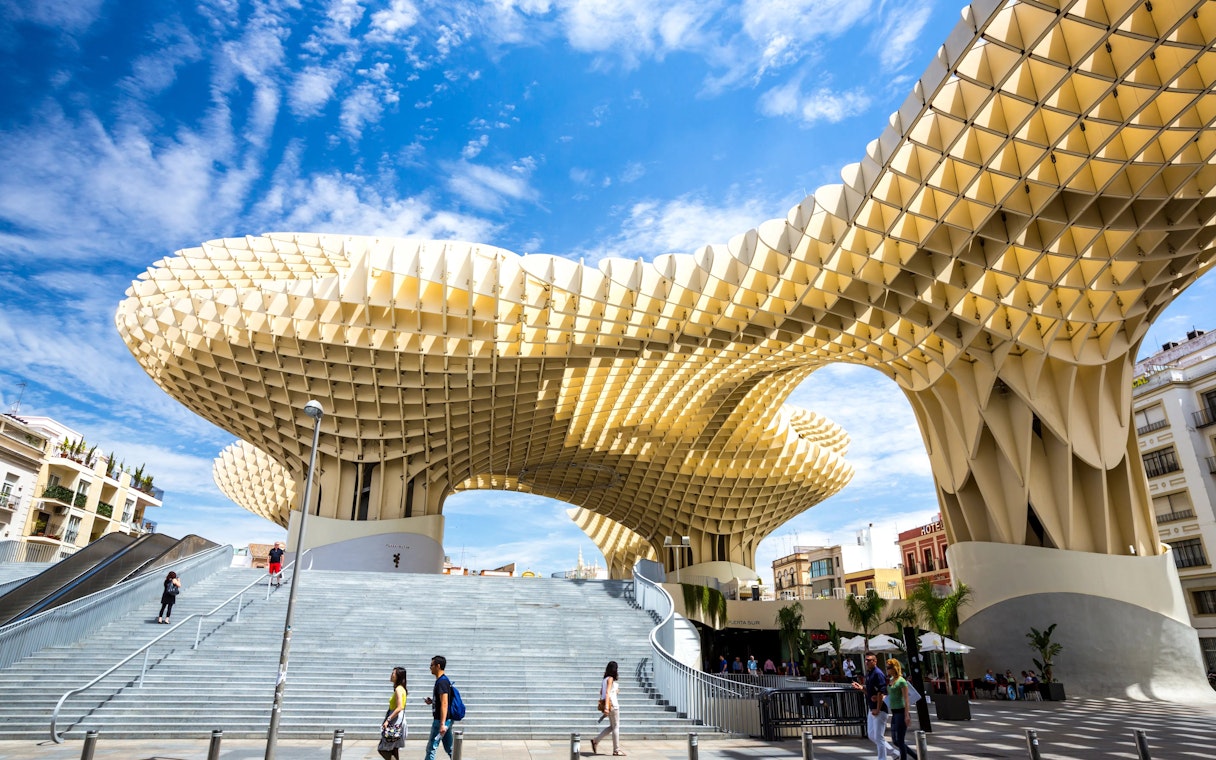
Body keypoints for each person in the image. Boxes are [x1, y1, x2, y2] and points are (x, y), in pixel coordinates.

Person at [852, 652, 889, 759]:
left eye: (869, 660)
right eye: (866, 660)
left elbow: (883, 692)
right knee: (872, 735)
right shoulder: (869, 673)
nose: (867, 662)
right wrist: (861, 688)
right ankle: (894, 753)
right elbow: (869, 692)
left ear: (875, 661)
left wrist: (878, 709)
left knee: (878, 737)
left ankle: (883, 758)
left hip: (880, 709)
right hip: (871, 708)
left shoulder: (878, 674)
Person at [590, 660, 626, 756]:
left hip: (609, 705)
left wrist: (615, 691)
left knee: (612, 727)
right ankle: (616, 750)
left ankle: (596, 740)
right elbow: (607, 693)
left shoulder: (604, 679)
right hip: (613, 705)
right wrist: (606, 707)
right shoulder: (610, 679)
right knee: (616, 727)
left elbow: (602, 692)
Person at [885, 659, 918, 760]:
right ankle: (916, 756)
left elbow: (906, 699)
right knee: (895, 740)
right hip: (894, 712)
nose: (887, 670)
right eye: (887, 668)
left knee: (900, 740)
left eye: (889, 668)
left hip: (901, 711)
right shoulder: (891, 680)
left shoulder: (901, 681)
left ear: (895, 668)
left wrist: (907, 715)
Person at [424, 655, 454, 760]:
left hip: (441, 721)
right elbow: (442, 701)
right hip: (445, 720)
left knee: (431, 748)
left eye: (432, 665)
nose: (430, 667)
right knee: (450, 748)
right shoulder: (442, 681)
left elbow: (445, 703)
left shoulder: (442, 682)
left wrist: (442, 724)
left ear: (438, 666)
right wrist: (432, 701)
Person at [378, 666, 408, 759]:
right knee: (394, 749)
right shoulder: (401, 688)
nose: (391, 675)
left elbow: (400, 707)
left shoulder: (399, 689)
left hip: (395, 721)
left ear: (398, 676)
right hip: (398, 720)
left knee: (382, 749)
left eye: (393, 673)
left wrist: (388, 719)